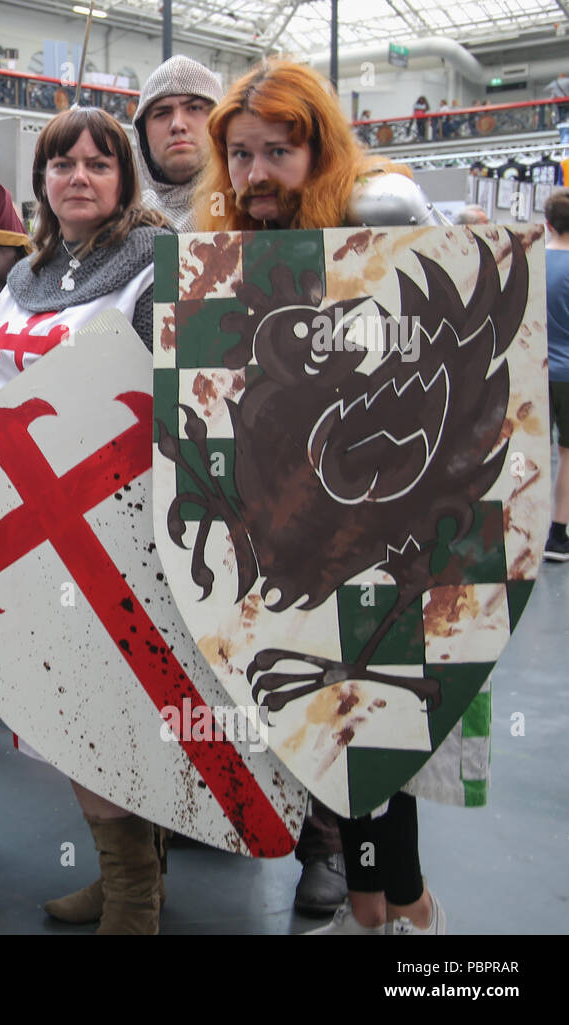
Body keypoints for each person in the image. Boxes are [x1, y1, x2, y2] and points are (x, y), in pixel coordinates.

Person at [197, 58, 454, 935]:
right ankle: (370, 913)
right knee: (330, 741)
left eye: (278, 151)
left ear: (319, 151)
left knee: (380, 737)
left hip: (388, 527)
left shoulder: (376, 221)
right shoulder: (233, 253)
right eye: (240, 154)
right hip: (288, 529)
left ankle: (417, 919)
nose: (256, 175)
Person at [0, 106, 172, 933]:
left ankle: (136, 898)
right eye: (63, 165)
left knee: (118, 713)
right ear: (42, 181)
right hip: (38, 528)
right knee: (72, 712)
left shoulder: (153, 264)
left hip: (127, 528)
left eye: (100, 163)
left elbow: (170, 404)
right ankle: (122, 875)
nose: (80, 177)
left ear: (124, 179)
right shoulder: (29, 274)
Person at [130, 54, 223, 231]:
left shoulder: (248, 210)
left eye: (194, 108)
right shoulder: (126, 221)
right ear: (143, 133)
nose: (177, 125)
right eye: (162, 112)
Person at [542, 188, 569, 561]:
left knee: (526, 455)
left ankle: (517, 534)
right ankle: (558, 536)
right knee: (567, 454)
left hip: (533, 369)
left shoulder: (532, 262)